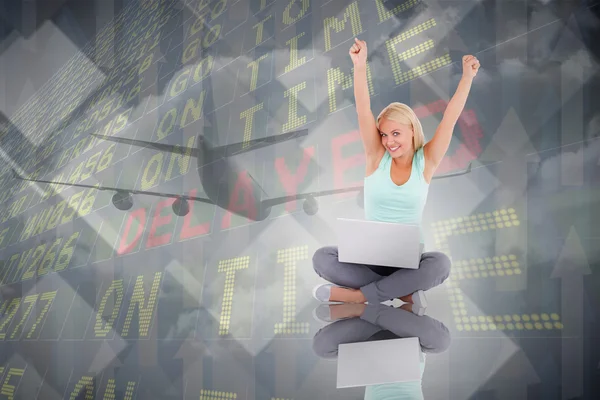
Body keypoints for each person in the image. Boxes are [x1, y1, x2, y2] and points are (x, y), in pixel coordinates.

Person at [312, 38, 480, 305]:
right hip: (370, 261)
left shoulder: (426, 160)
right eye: (384, 134)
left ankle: (360, 297)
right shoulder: (376, 157)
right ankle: (400, 292)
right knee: (322, 257)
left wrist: (467, 78)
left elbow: (450, 117)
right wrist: (358, 66)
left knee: (441, 264)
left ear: (412, 129)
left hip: (409, 262)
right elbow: (363, 109)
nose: (389, 141)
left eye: (396, 133)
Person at [311, 302, 451, 399]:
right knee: (442, 341)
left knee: (321, 347)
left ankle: (368, 310)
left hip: (371, 344)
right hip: (407, 341)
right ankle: (388, 314)